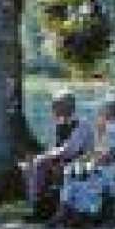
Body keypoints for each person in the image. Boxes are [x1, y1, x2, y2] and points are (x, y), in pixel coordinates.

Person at [55, 97, 115, 227]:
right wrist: (87, 160)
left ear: (111, 111)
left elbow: (109, 154)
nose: (101, 112)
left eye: (104, 109)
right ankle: (72, 214)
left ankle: (80, 216)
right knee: (75, 173)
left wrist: (90, 163)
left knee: (78, 177)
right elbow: (102, 151)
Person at [21, 90, 90, 222]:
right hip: (57, 159)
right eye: (54, 106)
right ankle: (38, 206)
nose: (53, 109)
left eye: (56, 106)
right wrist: (45, 157)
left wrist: (48, 158)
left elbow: (71, 149)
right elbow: (52, 147)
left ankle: (39, 207)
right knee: (28, 166)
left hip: (77, 161)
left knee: (39, 164)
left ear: (68, 107)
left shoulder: (82, 125)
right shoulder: (56, 126)